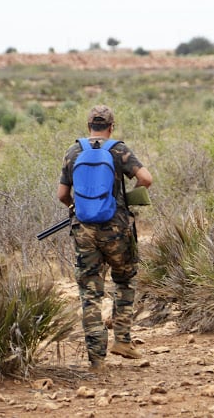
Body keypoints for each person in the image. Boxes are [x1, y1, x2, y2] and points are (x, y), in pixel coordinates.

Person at [57, 105, 153, 372]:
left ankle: (96, 358)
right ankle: (122, 340)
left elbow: (62, 195)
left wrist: (78, 208)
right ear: (111, 126)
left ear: (88, 125)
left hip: (84, 231)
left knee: (90, 292)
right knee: (124, 280)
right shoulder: (118, 150)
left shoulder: (73, 152)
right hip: (117, 229)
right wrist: (128, 199)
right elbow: (146, 178)